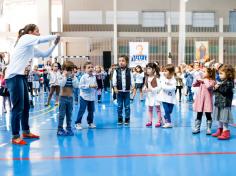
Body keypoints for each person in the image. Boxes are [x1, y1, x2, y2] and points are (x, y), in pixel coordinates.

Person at [5, 24, 60, 145]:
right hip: (14, 76)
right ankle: (15, 136)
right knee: (18, 107)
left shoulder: (30, 47)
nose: (39, 33)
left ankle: (26, 131)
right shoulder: (25, 38)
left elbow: (45, 54)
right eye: (37, 31)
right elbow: (41, 39)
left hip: (22, 77)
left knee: (26, 106)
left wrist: (55, 44)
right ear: (30, 32)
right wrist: (55, 35)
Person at [212, 65, 235, 140]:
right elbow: (216, 92)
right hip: (219, 103)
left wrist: (218, 87)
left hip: (225, 104)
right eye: (219, 73)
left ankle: (226, 131)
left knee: (224, 118)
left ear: (228, 74)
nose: (219, 75)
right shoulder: (222, 81)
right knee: (219, 117)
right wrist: (215, 88)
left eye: (221, 73)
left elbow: (225, 91)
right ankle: (220, 129)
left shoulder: (229, 82)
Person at [57, 61, 78, 136]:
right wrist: (65, 76)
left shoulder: (73, 77)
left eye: (70, 69)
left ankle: (68, 128)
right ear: (63, 69)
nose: (69, 71)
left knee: (69, 114)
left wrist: (73, 78)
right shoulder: (61, 76)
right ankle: (60, 129)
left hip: (70, 98)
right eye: (67, 69)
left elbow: (76, 86)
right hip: (62, 98)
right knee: (61, 114)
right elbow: (61, 84)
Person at [192, 67, 216, 135]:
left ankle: (208, 129)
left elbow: (208, 86)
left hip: (207, 101)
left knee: (208, 114)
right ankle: (197, 128)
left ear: (210, 73)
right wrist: (197, 79)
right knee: (199, 114)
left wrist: (204, 80)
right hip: (200, 100)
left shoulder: (212, 81)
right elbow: (194, 85)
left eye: (204, 72)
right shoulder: (202, 81)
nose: (202, 73)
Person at [74, 61, 97, 130]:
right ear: (85, 69)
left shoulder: (94, 77)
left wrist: (95, 86)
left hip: (92, 97)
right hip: (84, 97)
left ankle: (90, 122)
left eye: (92, 67)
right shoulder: (83, 77)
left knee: (91, 110)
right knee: (82, 110)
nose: (90, 69)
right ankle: (78, 123)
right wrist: (89, 86)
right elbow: (80, 86)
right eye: (88, 67)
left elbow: (94, 85)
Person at [113, 55, 135, 126]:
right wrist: (115, 87)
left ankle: (127, 118)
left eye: (123, 61)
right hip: (119, 92)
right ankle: (120, 118)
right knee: (119, 106)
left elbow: (132, 79)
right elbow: (114, 80)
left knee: (127, 106)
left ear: (126, 62)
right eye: (119, 61)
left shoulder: (129, 71)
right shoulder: (116, 71)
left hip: (127, 92)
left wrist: (133, 86)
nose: (121, 62)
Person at [143, 63, 162, 127]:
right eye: (147, 68)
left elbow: (159, 87)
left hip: (156, 96)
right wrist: (144, 88)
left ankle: (159, 121)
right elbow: (145, 85)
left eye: (149, 68)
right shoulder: (146, 78)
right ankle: (150, 121)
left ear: (153, 69)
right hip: (149, 96)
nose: (147, 70)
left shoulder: (156, 78)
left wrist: (152, 89)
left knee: (158, 109)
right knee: (150, 109)